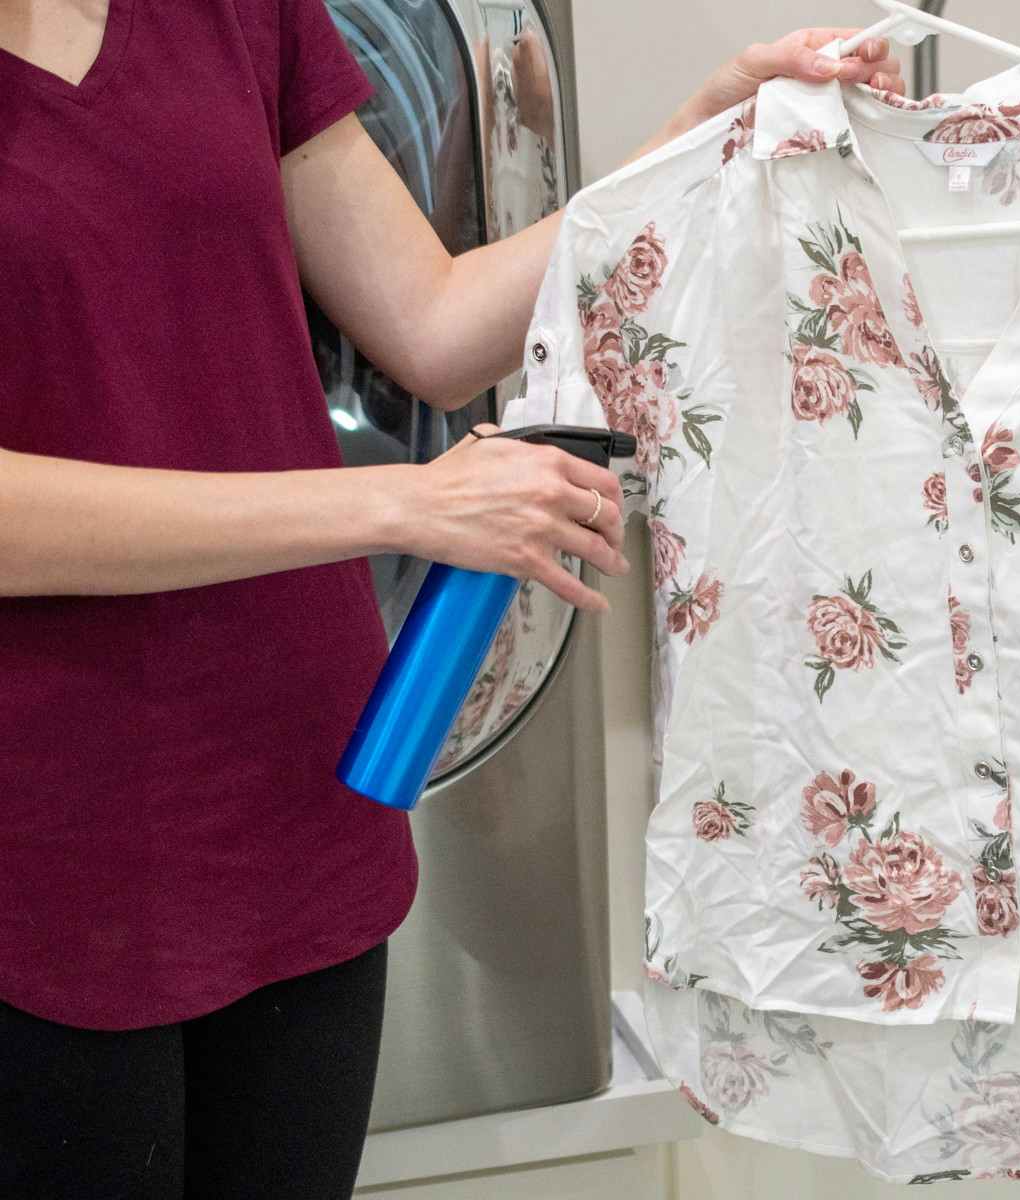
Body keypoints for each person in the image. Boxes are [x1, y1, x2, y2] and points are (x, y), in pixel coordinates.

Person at [0, 2, 901, 1196]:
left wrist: (703, 133)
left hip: (299, 795)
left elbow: (430, 324)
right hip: (50, 845)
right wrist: (401, 508)